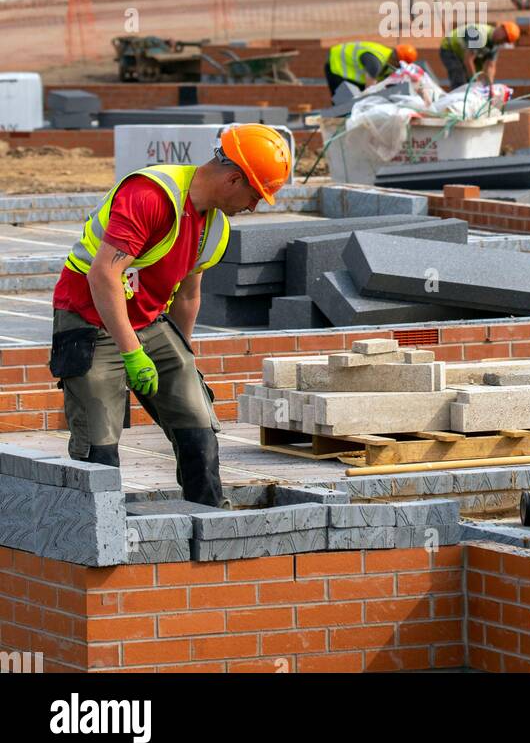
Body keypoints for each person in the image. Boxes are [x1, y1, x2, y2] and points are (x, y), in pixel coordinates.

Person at [50, 123, 292, 506]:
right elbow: (103, 276)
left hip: (149, 321)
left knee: (198, 426)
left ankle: (208, 521)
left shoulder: (213, 227)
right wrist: (131, 353)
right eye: (256, 194)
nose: (253, 206)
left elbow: (188, 296)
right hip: (88, 320)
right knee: (100, 447)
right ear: (233, 179)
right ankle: (104, 541)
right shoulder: (150, 196)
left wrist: (180, 359)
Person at [438, 21, 520, 89]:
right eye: (505, 37)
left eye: (506, 41)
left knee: (477, 76)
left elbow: (491, 66)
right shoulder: (479, 35)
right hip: (450, 48)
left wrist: (490, 87)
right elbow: (468, 60)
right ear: (501, 28)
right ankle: (456, 102)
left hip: (466, 52)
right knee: (460, 79)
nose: (503, 41)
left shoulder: (495, 45)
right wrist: (475, 83)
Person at [324, 41, 417, 100]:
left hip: (351, 70)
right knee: (344, 103)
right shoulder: (375, 63)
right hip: (336, 64)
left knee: (357, 100)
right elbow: (369, 90)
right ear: (396, 60)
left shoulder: (387, 60)